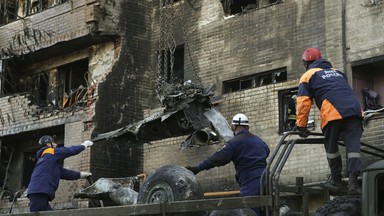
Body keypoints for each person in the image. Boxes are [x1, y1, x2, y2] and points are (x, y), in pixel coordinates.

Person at [296, 47, 364, 195]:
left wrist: (301, 126)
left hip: (333, 112)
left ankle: (336, 180)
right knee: (353, 148)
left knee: (331, 147)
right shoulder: (338, 73)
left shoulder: (308, 75)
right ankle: (353, 183)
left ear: (306, 63)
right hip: (354, 111)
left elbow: (303, 102)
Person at [186, 113, 270, 215]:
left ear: (233, 127)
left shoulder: (234, 143)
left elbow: (217, 159)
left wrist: (197, 168)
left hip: (250, 184)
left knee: (250, 212)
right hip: (267, 182)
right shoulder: (259, 141)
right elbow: (267, 151)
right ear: (247, 127)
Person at [27, 135, 94, 212]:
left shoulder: (46, 160)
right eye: (53, 143)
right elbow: (69, 151)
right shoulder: (50, 151)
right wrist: (83, 145)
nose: (56, 145)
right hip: (39, 191)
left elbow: (64, 173)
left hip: (38, 192)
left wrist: (80, 175)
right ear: (48, 144)